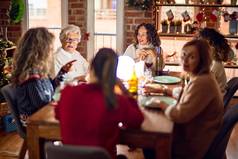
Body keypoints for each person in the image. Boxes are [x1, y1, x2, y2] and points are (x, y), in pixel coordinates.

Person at [55, 48, 144, 159]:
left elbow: (57, 114)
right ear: (114, 74)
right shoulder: (115, 101)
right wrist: (124, 90)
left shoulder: (68, 93)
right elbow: (138, 120)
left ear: (91, 67)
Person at [144, 39, 224, 159]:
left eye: (192, 57)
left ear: (202, 60)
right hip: (196, 136)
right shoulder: (202, 77)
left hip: (191, 146)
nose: (185, 61)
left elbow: (180, 115)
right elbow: (189, 95)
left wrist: (161, 104)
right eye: (183, 55)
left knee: (150, 140)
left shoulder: (202, 82)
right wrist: (164, 90)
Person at [11, 27, 70, 126]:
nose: (52, 51)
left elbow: (49, 88)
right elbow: (43, 107)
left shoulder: (38, 70)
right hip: (35, 124)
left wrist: (62, 72)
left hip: (42, 117)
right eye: (50, 48)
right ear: (40, 51)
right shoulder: (31, 76)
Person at [198, 28, 231, 94]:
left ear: (214, 47)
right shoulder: (211, 62)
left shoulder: (215, 65)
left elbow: (202, 85)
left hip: (213, 99)